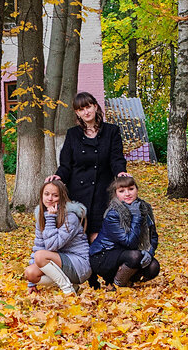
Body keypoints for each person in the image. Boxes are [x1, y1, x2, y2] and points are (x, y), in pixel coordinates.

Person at [47, 92, 128, 243]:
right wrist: (59, 176)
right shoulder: (72, 134)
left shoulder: (112, 131)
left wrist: (121, 172)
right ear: (77, 113)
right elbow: (66, 164)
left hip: (102, 193)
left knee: (98, 237)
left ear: (95, 107)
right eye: (81, 109)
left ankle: (101, 265)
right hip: (78, 193)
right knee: (79, 236)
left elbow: (116, 159)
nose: (86, 112)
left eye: (88, 107)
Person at [89, 173, 159, 288]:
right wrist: (136, 217)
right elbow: (129, 243)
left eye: (131, 189)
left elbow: (153, 235)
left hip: (126, 254)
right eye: (121, 191)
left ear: (136, 190)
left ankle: (127, 279)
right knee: (135, 256)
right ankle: (117, 286)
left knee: (153, 267)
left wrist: (149, 253)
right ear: (116, 194)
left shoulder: (144, 208)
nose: (127, 194)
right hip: (104, 255)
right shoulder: (113, 213)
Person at [24, 180, 91, 295]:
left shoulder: (71, 217)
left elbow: (52, 246)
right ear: (41, 196)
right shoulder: (42, 217)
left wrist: (50, 218)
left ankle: (68, 290)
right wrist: (32, 283)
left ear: (62, 198)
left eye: (55, 195)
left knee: (40, 256)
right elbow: (38, 246)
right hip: (59, 262)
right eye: (46, 194)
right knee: (30, 273)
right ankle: (72, 285)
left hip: (78, 265)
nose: (50, 198)